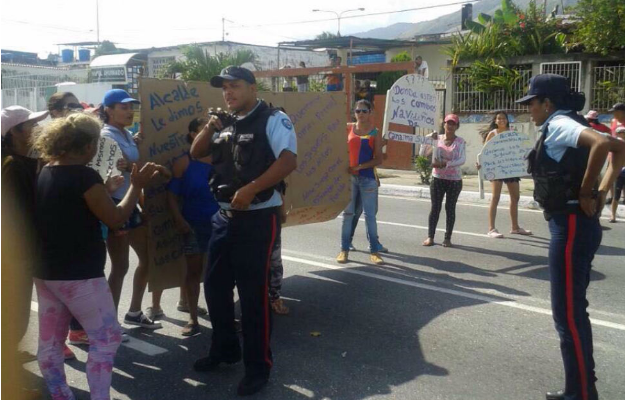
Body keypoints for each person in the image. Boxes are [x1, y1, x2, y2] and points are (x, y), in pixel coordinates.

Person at [32, 113, 159, 400]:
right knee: (107, 337)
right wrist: (136, 185)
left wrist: (106, 191)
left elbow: (71, 209)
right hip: (80, 274)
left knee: (50, 343)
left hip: (47, 271)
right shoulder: (84, 176)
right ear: (89, 146)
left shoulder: (47, 171)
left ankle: (61, 394)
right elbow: (115, 218)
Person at [516, 74, 625, 400]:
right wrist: (601, 191)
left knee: (568, 315)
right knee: (572, 312)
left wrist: (587, 190)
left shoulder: (560, 123)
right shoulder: (565, 122)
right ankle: (580, 388)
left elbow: (605, 144)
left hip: (571, 224)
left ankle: (581, 394)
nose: (529, 109)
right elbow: (619, 149)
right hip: (575, 223)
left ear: (547, 103)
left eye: (532, 103)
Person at [189, 66, 297, 396]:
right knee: (216, 290)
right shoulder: (225, 122)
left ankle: (258, 367)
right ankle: (224, 350)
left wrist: (252, 188)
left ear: (252, 87)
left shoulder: (273, 119)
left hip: (257, 219)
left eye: (234, 86)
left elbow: (288, 160)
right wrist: (209, 126)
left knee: (253, 298)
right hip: (223, 218)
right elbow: (196, 153)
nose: (228, 92)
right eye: (224, 88)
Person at [99, 89, 170, 333]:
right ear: (108, 110)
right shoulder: (106, 136)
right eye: (123, 107)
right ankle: (110, 324)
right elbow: (114, 169)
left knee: (147, 258)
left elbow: (129, 168)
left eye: (131, 107)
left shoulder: (126, 134)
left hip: (132, 205)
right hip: (116, 206)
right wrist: (137, 166)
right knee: (120, 267)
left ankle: (134, 312)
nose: (129, 111)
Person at [1, 106, 49, 366]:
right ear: (15, 132)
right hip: (15, 254)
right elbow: (19, 215)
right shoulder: (12, 167)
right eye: (31, 125)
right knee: (14, 312)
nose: (36, 129)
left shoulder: (23, 161)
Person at [163, 117, 219, 336]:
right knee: (193, 272)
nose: (210, 132)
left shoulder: (222, 158)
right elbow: (171, 195)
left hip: (221, 224)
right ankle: (193, 319)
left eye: (213, 128)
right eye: (204, 128)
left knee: (219, 273)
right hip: (193, 224)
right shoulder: (183, 162)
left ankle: (221, 317)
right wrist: (179, 219)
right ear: (193, 135)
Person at [336, 100, 385, 265]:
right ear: (354, 112)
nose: (361, 114)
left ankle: (374, 252)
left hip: (367, 178)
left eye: (364, 111)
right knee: (348, 215)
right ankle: (344, 250)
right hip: (349, 178)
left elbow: (378, 159)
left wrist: (359, 166)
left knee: (370, 216)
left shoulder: (374, 132)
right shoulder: (348, 128)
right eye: (358, 111)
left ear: (370, 112)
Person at [478, 111, 532, 238]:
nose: (502, 120)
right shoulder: (493, 134)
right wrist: (481, 164)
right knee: (495, 197)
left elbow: (522, 147)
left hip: (511, 169)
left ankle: (515, 227)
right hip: (497, 169)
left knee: (515, 197)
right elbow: (485, 152)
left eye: (504, 118)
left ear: (507, 120)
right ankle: (491, 228)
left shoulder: (513, 132)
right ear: (495, 121)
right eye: (499, 118)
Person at [421, 114, 466, 248]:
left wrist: (446, 164)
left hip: (454, 180)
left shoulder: (460, 141)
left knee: (450, 208)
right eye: (448, 123)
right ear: (444, 124)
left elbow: (462, 159)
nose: (450, 126)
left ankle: (447, 238)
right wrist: (429, 138)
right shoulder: (436, 138)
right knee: (435, 207)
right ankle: (430, 236)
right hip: (438, 178)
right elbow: (422, 153)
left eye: (453, 124)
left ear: (457, 126)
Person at [609, 126, 625, 222]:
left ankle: (613, 215)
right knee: (616, 195)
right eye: (621, 132)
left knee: (618, 195)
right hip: (619, 171)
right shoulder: (616, 144)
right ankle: (613, 215)